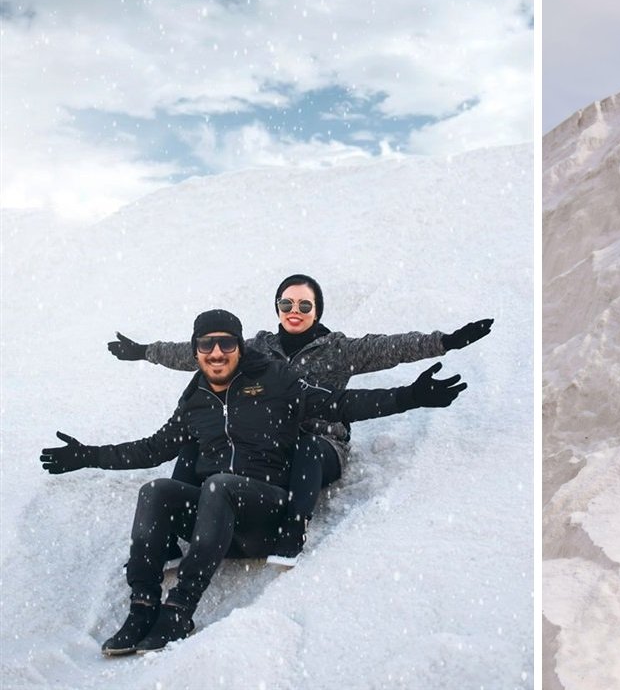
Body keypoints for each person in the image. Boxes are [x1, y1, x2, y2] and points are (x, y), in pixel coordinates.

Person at [42, 309, 467, 655]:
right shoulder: (195, 398)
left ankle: (179, 610)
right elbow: (153, 449)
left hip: (263, 515)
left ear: (240, 347)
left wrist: (409, 397)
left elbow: (337, 403)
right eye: (206, 344)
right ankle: (142, 605)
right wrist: (88, 455)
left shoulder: (275, 382)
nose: (216, 352)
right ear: (196, 350)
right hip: (215, 525)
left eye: (226, 342)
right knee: (156, 490)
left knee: (219, 485)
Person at [107, 273, 493, 561]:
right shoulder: (258, 347)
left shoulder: (339, 350)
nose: (295, 312)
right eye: (287, 304)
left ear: (317, 310)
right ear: (277, 308)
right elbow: (194, 352)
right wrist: (144, 351)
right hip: (270, 444)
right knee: (197, 441)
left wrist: (447, 341)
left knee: (309, 444)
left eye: (304, 305)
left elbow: (393, 347)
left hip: (320, 443)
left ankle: (293, 531)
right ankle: (177, 533)